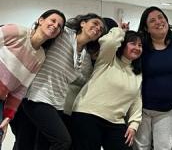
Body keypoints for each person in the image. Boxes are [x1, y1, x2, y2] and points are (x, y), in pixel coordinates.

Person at [13, 13, 105, 150]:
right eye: (95, 23)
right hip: (37, 97)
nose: (98, 28)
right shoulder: (64, 34)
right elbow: (40, 34)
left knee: (42, 144)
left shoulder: (85, 57)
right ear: (83, 23)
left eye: (101, 29)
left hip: (57, 103)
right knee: (62, 141)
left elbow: (84, 80)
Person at [0, 9, 66, 149]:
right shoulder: (16, 31)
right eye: (53, 21)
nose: (55, 26)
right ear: (41, 20)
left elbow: (21, 89)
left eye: (59, 26)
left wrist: (8, 115)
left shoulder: (40, 56)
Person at [71, 27, 143, 150]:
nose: (137, 48)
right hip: (88, 113)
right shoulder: (107, 59)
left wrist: (133, 124)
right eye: (133, 43)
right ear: (123, 44)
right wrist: (120, 31)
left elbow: (136, 100)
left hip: (116, 121)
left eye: (140, 45)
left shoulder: (137, 73)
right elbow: (110, 41)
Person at [134, 6, 172, 150]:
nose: (158, 22)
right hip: (141, 109)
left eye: (161, 17)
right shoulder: (141, 45)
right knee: (140, 148)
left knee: (164, 147)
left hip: (167, 110)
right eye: (152, 21)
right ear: (146, 28)